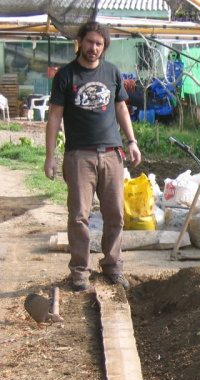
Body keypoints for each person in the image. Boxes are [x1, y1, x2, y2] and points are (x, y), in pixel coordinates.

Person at [44, 21, 141, 292]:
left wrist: (131, 142)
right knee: (78, 217)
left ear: (104, 47)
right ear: (80, 42)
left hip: (111, 154)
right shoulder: (65, 76)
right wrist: (50, 155)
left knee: (115, 215)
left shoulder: (111, 72)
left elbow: (121, 107)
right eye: (90, 42)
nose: (94, 48)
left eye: (99, 44)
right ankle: (80, 271)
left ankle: (113, 265)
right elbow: (54, 116)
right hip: (79, 156)